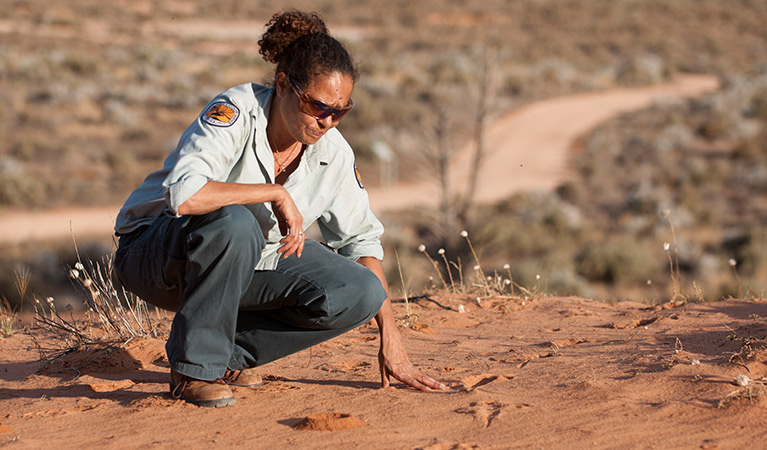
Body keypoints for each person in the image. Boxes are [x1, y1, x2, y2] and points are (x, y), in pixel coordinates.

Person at [113, 10, 445, 407]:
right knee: (235, 223)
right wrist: (273, 192)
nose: (328, 122)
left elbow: (362, 243)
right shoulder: (236, 110)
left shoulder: (334, 153)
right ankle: (192, 370)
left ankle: (228, 355)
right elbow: (184, 195)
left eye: (341, 111)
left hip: (241, 265)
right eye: (319, 106)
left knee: (361, 290)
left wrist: (391, 338)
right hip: (156, 255)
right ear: (285, 85)